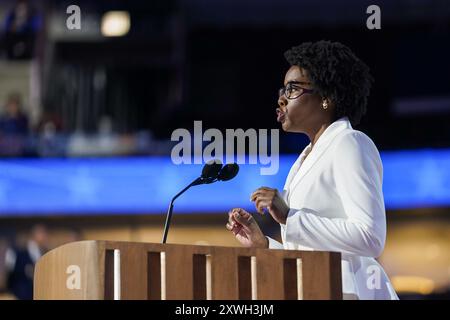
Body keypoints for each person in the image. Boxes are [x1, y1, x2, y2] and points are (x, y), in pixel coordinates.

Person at [226, 40, 398, 300]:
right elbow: (309, 248)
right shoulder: (305, 159)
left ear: (327, 97)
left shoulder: (349, 142)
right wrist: (264, 245)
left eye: (293, 88)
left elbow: (370, 237)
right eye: (283, 89)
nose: (282, 98)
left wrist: (289, 217)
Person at [5, 224, 49, 300]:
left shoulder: (46, 253)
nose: (44, 237)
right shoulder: (19, 253)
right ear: (34, 235)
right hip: (22, 294)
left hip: (40, 294)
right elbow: (11, 276)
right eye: (41, 234)